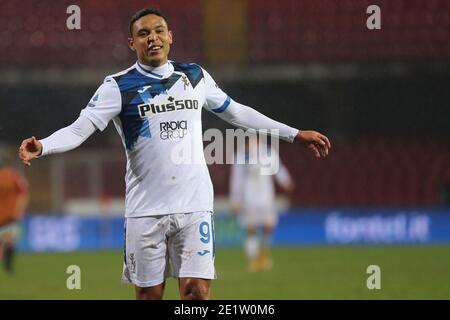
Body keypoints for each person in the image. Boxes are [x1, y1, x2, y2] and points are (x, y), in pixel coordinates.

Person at [18, 8, 331, 300]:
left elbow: (237, 113)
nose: (152, 38)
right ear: (132, 42)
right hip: (145, 211)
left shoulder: (194, 77)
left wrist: (293, 134)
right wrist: (43, 145)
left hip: (194, 206)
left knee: (196, 293)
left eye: (158, 31)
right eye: (144, 34)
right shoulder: (118, 87)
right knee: (149, 296)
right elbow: (78, 129)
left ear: (170, 37)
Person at [230, 137, 294, 272]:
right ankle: (253, 260)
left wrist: (286, 181)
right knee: (251, 229)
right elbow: (237, 178)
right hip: (249, 197)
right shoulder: (241, 155)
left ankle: (263, 256)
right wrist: (235, 199)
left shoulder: (268, 152)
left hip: (266, 195)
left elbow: (278, 169)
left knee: (269, 226)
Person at [0, 162, 29, 274]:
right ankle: (8, 266)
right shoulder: (14, 176)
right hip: (10, 214)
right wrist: (19, 210)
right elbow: (23, 193)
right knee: (9, 240)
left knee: (4, 240)